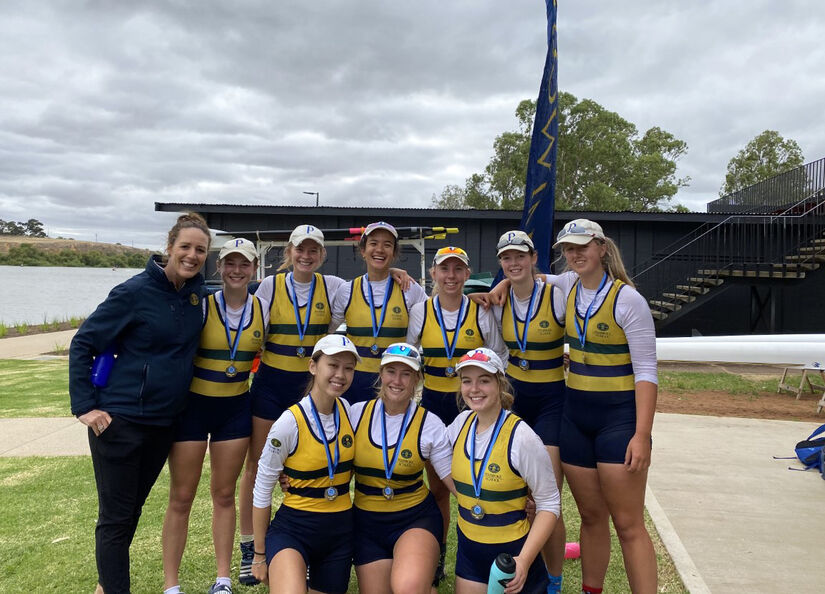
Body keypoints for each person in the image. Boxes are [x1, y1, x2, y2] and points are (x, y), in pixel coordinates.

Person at [69, 212, 211, 594]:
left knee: (131, 512)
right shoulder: (133, 292)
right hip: (121, 421)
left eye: (200, 249)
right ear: (169, 248)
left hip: (164, 424)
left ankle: (105, 585)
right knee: (115, 518)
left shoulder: (197, 295)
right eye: (185, 247)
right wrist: (85, 406)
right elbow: (84, 343)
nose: (192, 255)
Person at [551, 219, 658, 594]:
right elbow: (525, 281)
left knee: (628, 525)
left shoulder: (628, 299)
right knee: (591, 517)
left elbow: (646, 371)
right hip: (575, 419)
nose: (575, 254)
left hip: (618, 422)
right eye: (568, 249)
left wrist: (642, 435)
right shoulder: (565, 286)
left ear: (600, 247)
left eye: (582, 246)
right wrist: (497, 286)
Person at [236, 224, 347, 584]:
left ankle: (307, 540)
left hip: (308, 386)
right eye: (301, 249)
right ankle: (251, 546)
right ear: (290, 250)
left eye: (314, 250)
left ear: (322, 255)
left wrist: (396, 271)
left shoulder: (333, 287)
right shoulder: (270, 285)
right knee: (258, 466)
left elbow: (372, 288)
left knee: (311, 463)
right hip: (270, 384)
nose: (307, 256)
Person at [161, 238, 265, 594]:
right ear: (219, 267)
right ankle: (171, 585)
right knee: (182, 496)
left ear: (254, 269)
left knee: (223, 495)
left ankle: (222, 579)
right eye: (230, 264)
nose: (237, 271)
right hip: (193, 409)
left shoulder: (263, 308)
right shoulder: (200, 305)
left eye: (244, 264)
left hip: (235, 410)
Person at [406, 245, 509, 584]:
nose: (451, 276)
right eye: (444, 270)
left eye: (457, 270)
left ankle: (479, 553)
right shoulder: (420, 311)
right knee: (437, 490)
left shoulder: (480, 311)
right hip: (434, 405)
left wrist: (489, 401)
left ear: (467, 275)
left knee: (476, 483)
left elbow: (498, 357)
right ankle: (436, 557)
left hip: (471, 406)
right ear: (433, 274)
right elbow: (409, 358)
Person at [251, 334, 360, 594]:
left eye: (348, 368)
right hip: (295, 529)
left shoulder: (351, 412)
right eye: (333, 365)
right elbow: (262, 488)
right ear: (313, 366)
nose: (341, 375)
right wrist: (258, 554)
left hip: (339, 532)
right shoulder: (288, 423)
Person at [447, 348, 560, 594]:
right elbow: (431, 450)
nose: (474, 389)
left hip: (513, 557)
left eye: (484, 380)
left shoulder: (522, 437)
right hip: (470, 554)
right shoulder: (459, 426)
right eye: (467, 381)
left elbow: (550, 503)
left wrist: (525, 561)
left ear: (500, 384)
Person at [492, 230, 567, 593]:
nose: (513, 263)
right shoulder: (498, 300)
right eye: (507, 258)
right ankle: (518, 565)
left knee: (548, 496)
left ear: (534, 258)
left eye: (520, 256)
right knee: (516, 495)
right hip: (515, 396)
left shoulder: (557, 295)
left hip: (552, 399)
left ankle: (553, 579)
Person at [348, 342, 454, 593]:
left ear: (417, 379)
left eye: (406, 373)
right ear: (381, 374)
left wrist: (509, 501)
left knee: (407, 588)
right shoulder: (355, 414)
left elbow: (453, 480)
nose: (397, 380)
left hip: (415, 518)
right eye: (391, 371)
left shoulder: (430, 424)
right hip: (367, 523)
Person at [330, 221, 427, 404]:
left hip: (393, 383)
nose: (380, 250)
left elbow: (436, 316)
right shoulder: (346, 290)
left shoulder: (409, 288)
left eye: (387, 245)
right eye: (373, 243)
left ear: (394, 253)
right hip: (353, 382)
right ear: (363, 251)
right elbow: (326, 332)